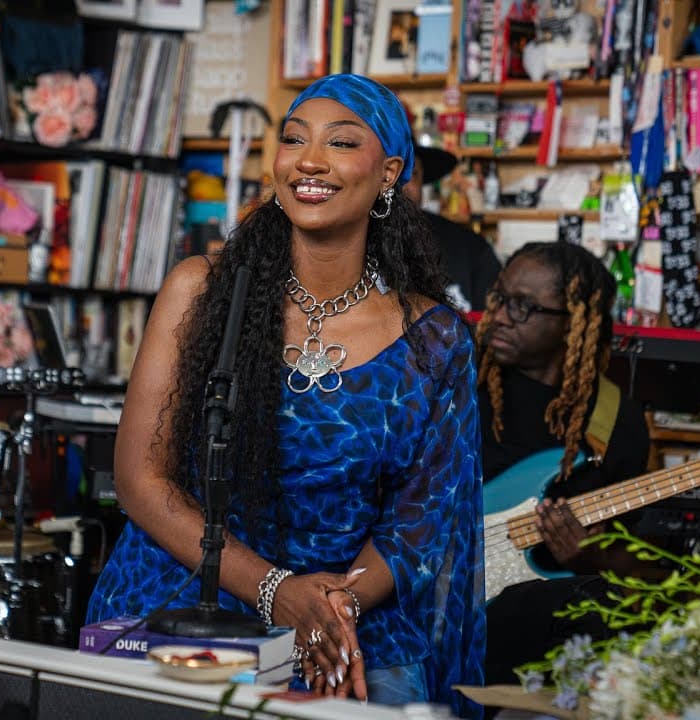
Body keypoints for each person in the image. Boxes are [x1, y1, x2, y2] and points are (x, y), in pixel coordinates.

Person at [85, 74, 484, 715]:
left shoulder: (435, 339)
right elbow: (139, 481)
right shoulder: (202, 291)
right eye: (294, 139)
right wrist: (276, 591)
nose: (310, 161)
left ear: (390, 173)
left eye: (341, 142)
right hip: (185, 602)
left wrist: (333, 608)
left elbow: (419, 522)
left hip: (350, 628)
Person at [476, 242, 651, 686]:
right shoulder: (461, 383)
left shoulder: (615, 422)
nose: (497, 316)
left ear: (574, 323)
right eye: (499, 298)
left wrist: (588, 553)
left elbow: (635, 563)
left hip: (526, 610)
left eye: (522, 307)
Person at [401, 140, 501, 313]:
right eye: (386, 173)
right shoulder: (346, 252)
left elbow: (492, 326)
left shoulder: (471, 249)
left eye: (410, 173)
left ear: (422, 177)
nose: (399, 185)